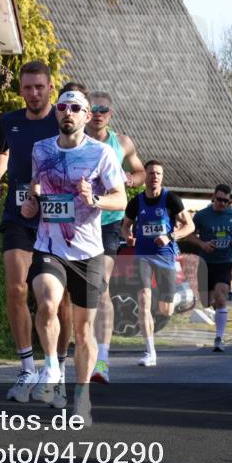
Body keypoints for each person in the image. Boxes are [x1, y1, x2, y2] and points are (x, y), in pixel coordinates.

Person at [21, 90, 126, 423]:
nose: (68, 112)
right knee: (48, 302)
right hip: (49, 245)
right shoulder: (42, 149)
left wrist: (94, 199)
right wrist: (31, 203)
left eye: (75, 108)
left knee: (83, 332)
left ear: (85, 116)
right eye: (62, 107)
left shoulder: (102, 153)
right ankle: (51, 366)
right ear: (57, 114)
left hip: (88, 252)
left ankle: (81, 398)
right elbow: (36, 186)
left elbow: (120, 198)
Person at [0, 61, 70, 406]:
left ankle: (59, 370)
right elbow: (2, 152)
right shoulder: (10, 122)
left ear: (50, 88)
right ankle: (26, 369)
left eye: (40, 87)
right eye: (27, 88)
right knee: (16, 287)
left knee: (58, 300)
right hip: (18, 215)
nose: (34, 94)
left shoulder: (63, 120)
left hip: (56, 218)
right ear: (20, 90)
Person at [84, 91, 146, 382]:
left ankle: (103, 361)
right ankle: (84, 346)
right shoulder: (74, 138)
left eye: (103, 110)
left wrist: (133, 179)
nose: (98, 114)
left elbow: (140, 170)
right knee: (79, 289)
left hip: (109, 220)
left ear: (111, 114)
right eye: (93, 109)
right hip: (79, 221)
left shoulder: (121, 142)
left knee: (101, 284)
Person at [121, 160, 193, 368]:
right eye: (151, 173)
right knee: (143, 300)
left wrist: (170, 236)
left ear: (162, 177)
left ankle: (154, 313)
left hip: (165, 256)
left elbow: (190, 225)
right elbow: (125, 226)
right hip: (142, 255)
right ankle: (150, 352)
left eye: (158, 174)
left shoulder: (171, 199)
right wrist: (128, 237)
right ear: (146, 176)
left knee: (167, 309)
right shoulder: (136, 202)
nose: (154, 177)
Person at [186, 185, 232, 352]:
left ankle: (219, 338)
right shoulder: (202, 215)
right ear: (213, 197)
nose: (222, 203)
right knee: (207, 301)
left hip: (224, 262)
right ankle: (218, 314)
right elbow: (189, 234)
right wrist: (202, 244)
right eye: (219, 200)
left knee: (221, 297)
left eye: (226, 201)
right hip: (205, 263)